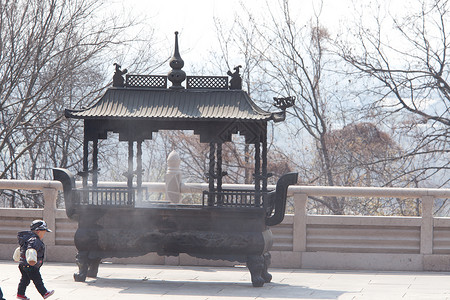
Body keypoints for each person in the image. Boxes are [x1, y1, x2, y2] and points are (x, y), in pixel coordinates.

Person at [16, 220, 55, 300]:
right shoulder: (35, 240)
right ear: (37, 231)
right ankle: (44, 293)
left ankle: (20, 294)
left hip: (22, 264)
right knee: (37, 280)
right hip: (30, 265)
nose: (44, 233)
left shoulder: (27, 239)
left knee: (25, 280)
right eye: (43, 231)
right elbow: (31, 249)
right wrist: (32, 259)